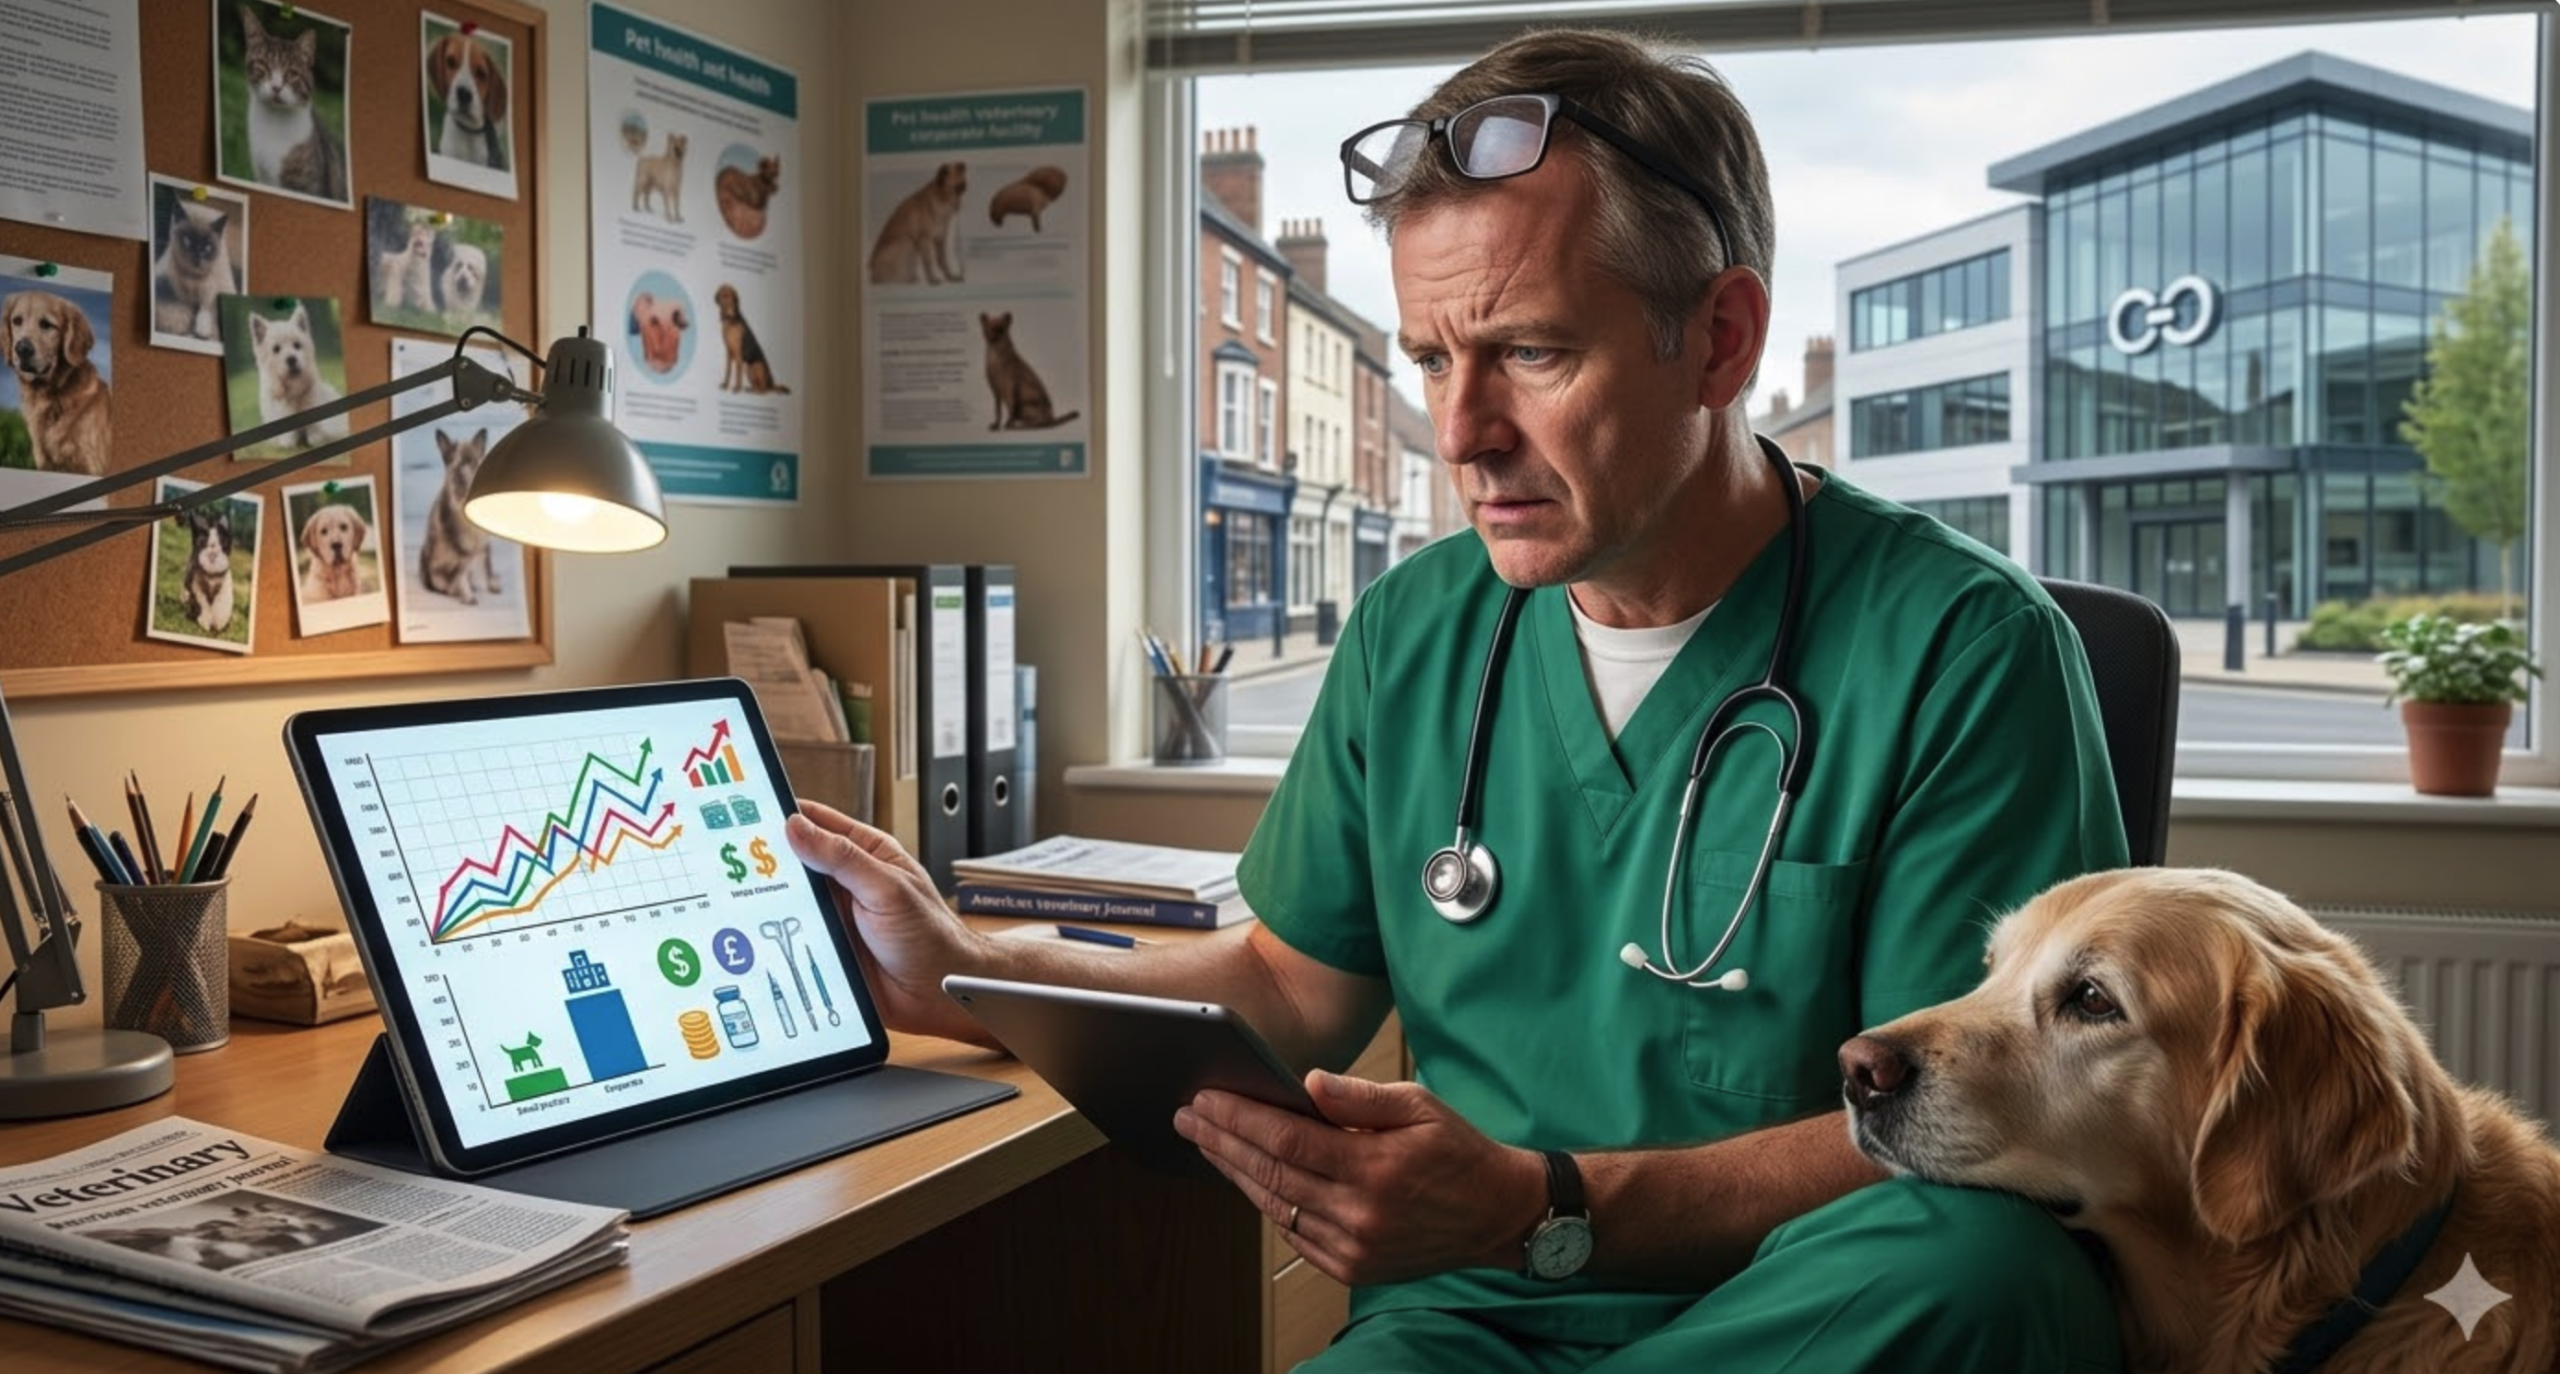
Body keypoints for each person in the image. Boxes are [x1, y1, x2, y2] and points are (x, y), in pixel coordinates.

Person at [787, 25, 2130, 1373]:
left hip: (1807, 1311)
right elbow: (1282, 986)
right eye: (1432, 359)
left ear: (1720, 342)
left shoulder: (1964, 648)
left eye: (1529, 352)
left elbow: (1986, 1120)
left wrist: (1545, 1206)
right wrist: (963, 966)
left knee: (1983, 1268)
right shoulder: (1414, 630)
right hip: (1473, 1320)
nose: (1459, 432)